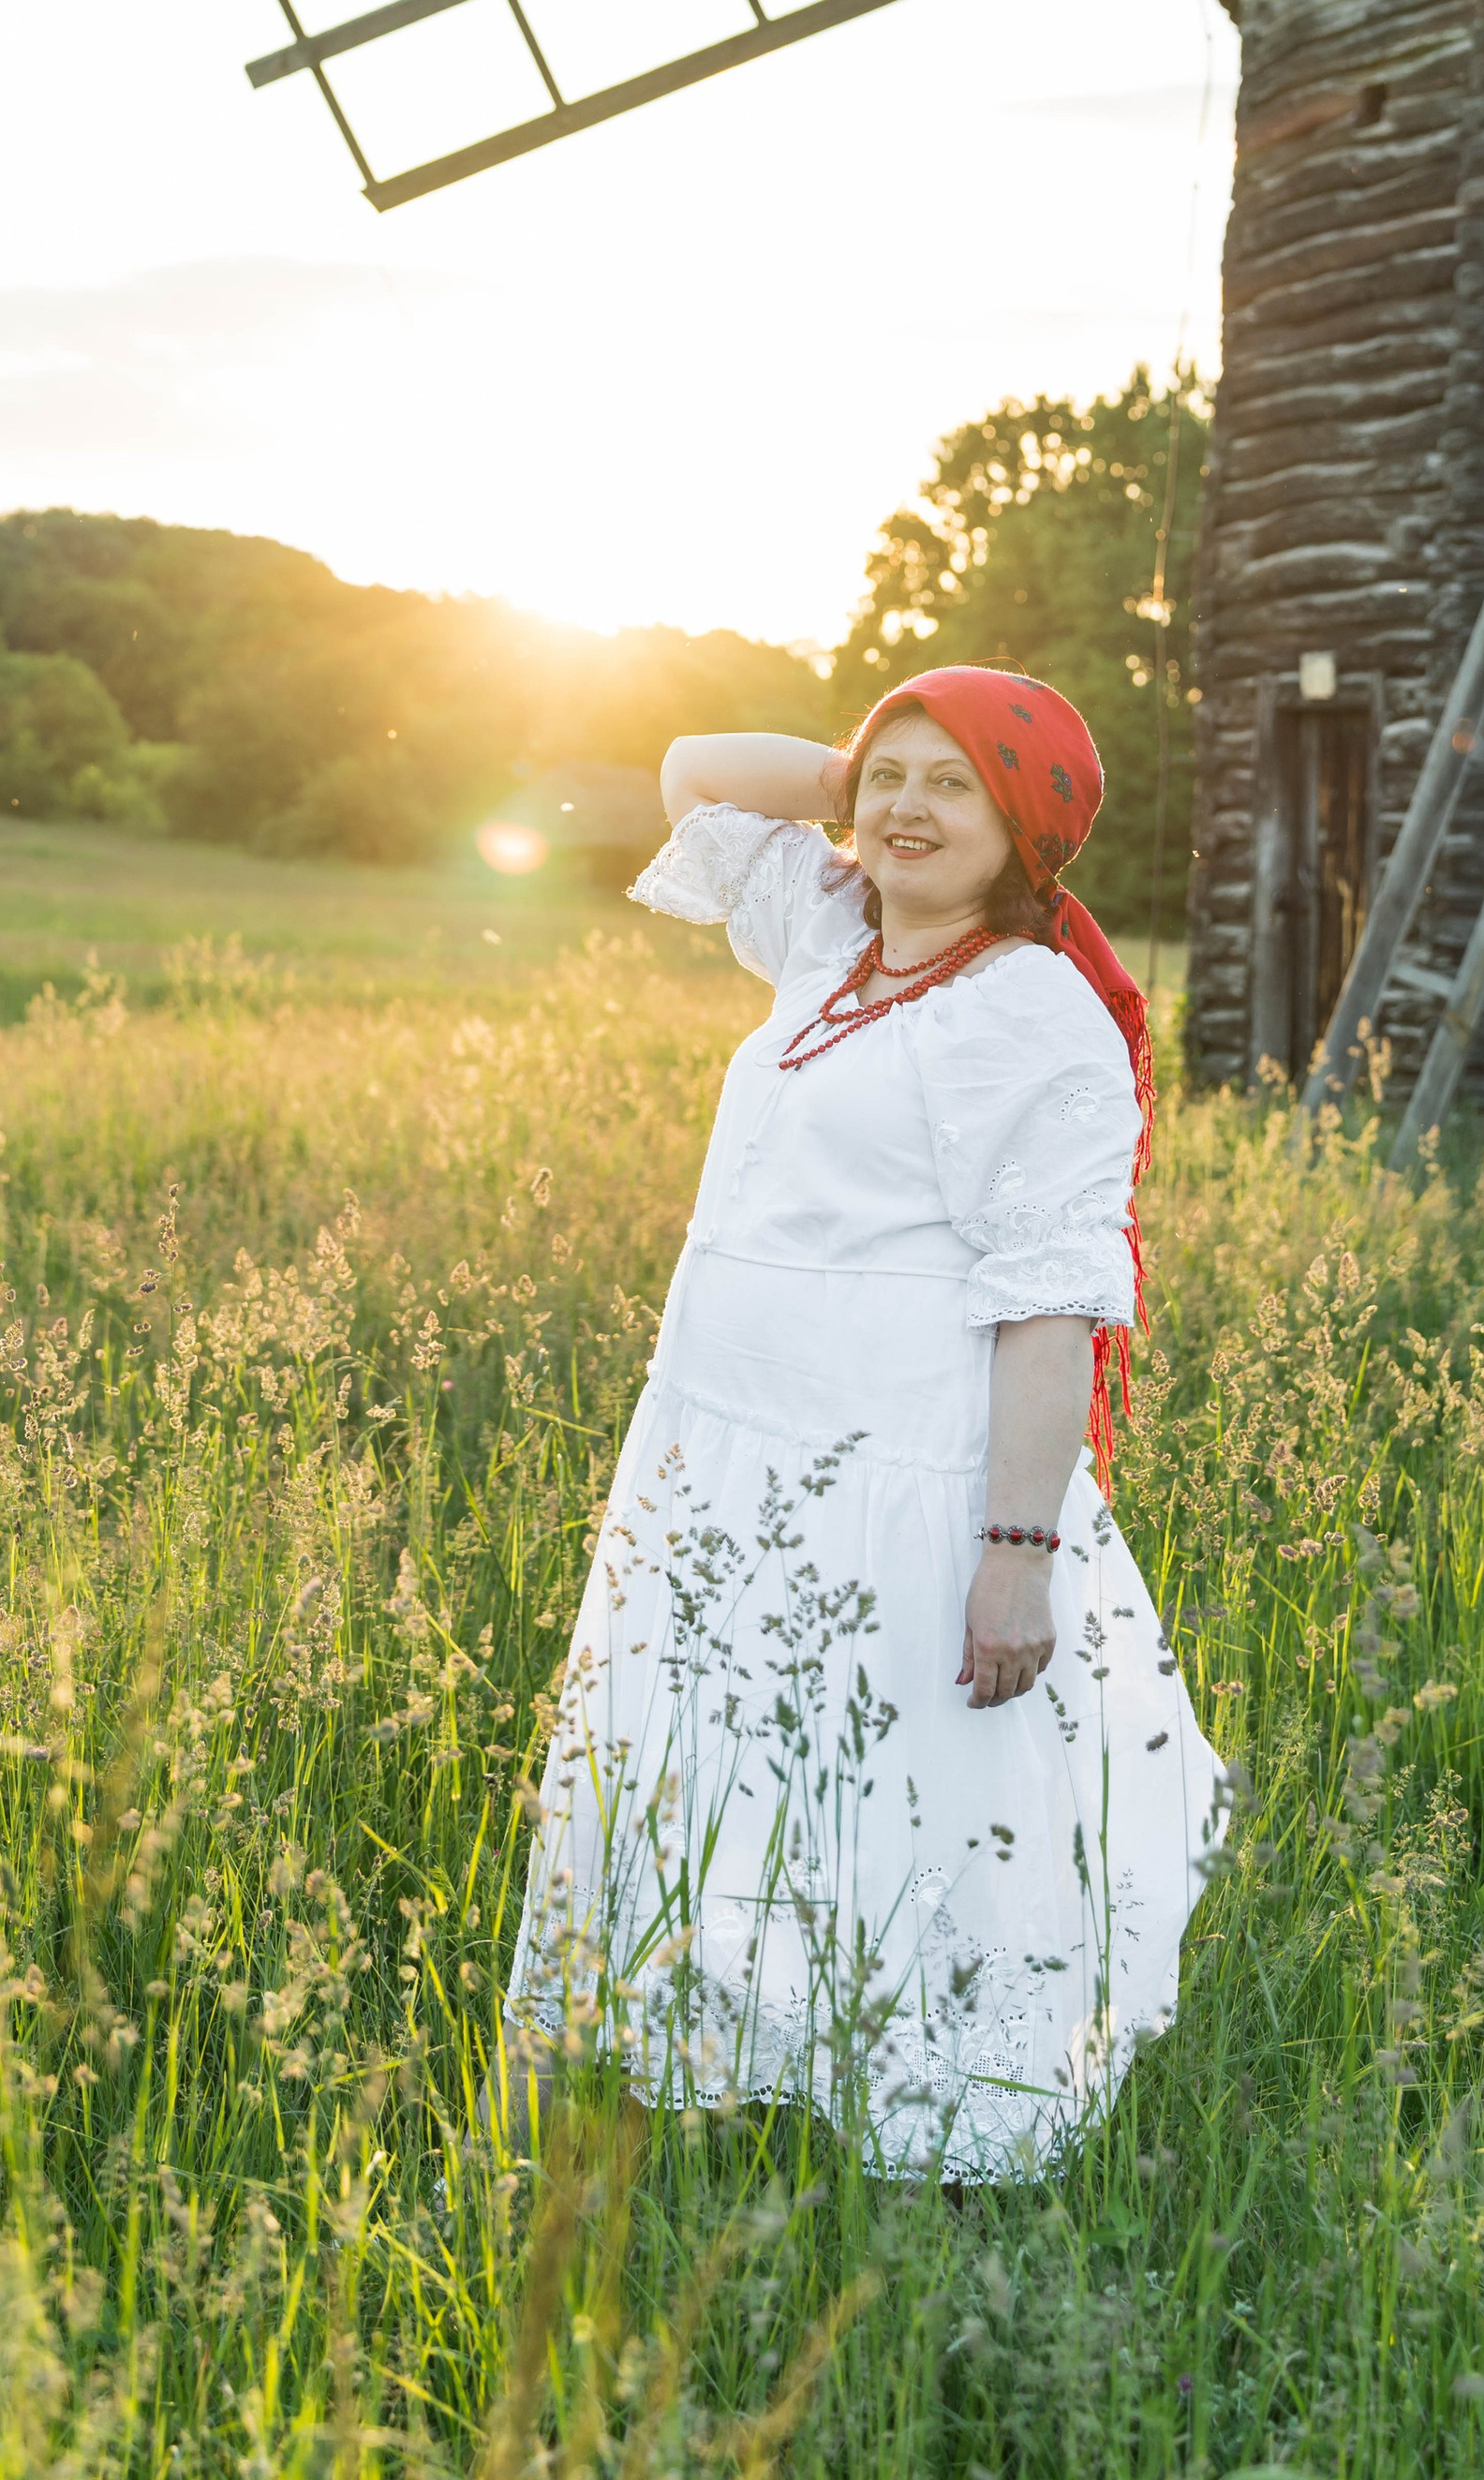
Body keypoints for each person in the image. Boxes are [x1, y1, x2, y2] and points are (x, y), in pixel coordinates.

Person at [504, 665, 1224, 2177]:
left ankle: (932, 2137)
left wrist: (1015, 1552)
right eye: (888, 776)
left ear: (1026, 830)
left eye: (954, 785)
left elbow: (1047, 1305)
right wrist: (874, 767)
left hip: (898, 1472)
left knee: (899, 1795)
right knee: (726, 1760)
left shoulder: (1034, 1016)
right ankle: (720, 2061)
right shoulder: (832, 937)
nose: (905, 806)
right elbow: (695, 761)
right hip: (724, 1445)